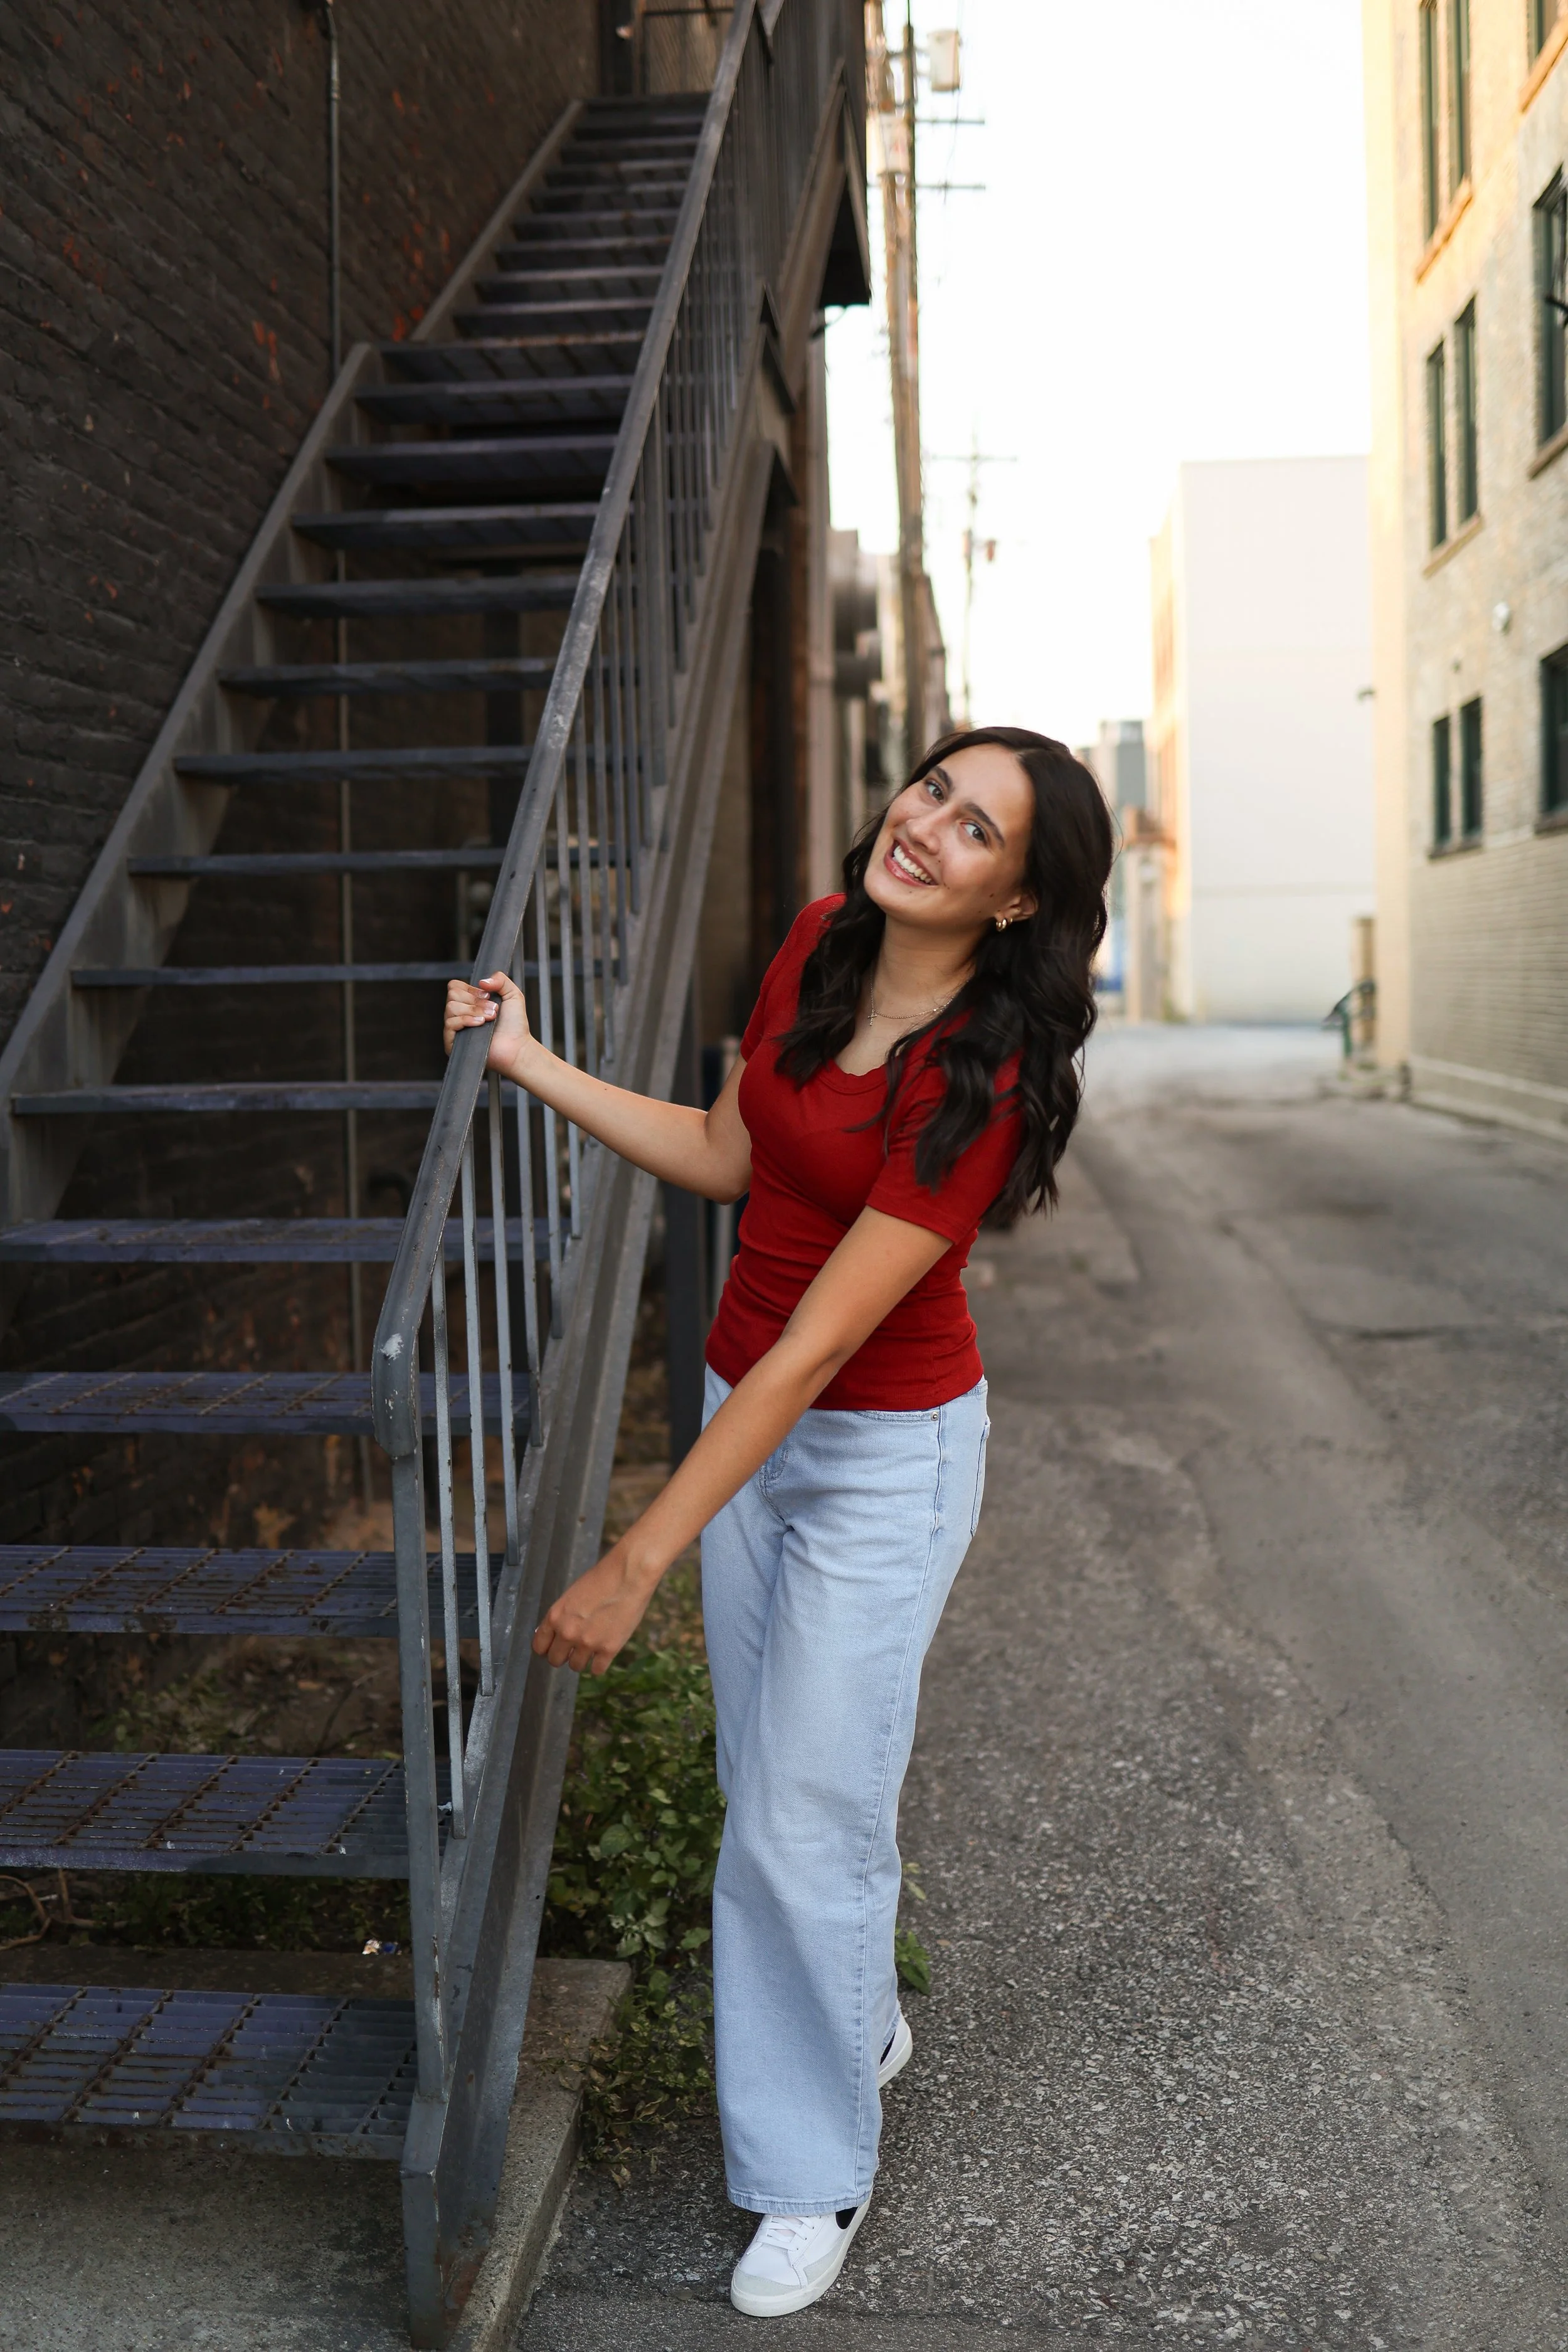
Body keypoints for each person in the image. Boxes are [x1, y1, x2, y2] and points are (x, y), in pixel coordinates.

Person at [443, 725, 1114, 2317]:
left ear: (1016, 902)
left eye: (975, 833)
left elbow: (824, 1343)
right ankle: (853, 2000)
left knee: (794, 1821)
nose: (927, 828)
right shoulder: (820, 945)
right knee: (783, 1785)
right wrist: (530, 1062)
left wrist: (637, 1551)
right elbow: (727, 1157)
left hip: (881, 1456)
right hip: (752, 1420)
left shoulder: (984, 1072)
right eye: (932, 790)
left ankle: (810, 2174)